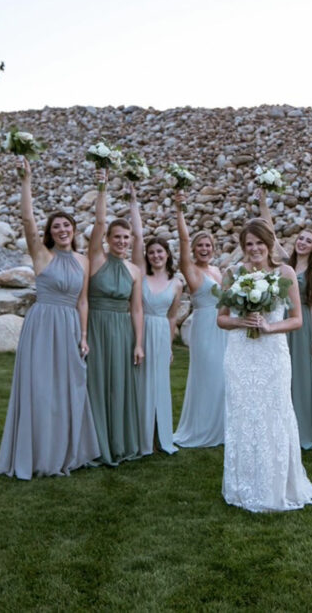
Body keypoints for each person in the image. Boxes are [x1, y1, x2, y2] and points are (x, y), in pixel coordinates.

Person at [0, 156, 99, 479]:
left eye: (67, 225)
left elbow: (83, 302)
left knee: (69, 389)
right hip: (42, 326)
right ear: (50, 234)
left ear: (74, 230)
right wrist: (26, 181)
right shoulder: (42, 255)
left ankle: (66, 451)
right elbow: (27, 221)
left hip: (69, 327)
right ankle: (38, 453)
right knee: (41, 390)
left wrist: (83, 336)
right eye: (57, 227)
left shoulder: (83, 261)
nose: (63, 229)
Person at [217, 217, 312, 512]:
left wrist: (269, 327)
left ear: (269, 244)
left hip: (273, 353)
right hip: (240, 353)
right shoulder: (233, 273)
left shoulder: (285, 272)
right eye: (248, 244)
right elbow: (221, 318)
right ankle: (244, 486)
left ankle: (277, 485)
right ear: (243, 247)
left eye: (259, 243)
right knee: (243, 416)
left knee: (274, 414)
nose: (254, 249)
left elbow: (297, 319)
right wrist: (242, 321)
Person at [257, 191, 312, 450]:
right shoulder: (284, 264)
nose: (302, 243)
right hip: (280, 323)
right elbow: (270, 234)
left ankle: (306, 431)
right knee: (280, 377)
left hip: (302, 328)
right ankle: (281, 430)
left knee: (301, 377)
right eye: (300, 238)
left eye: (308, 241)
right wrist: (263, 203)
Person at [85, 168, 144, 466]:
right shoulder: (96, 258)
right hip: (96, 326)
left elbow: (137, 309)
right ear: (107, 238)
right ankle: (96, 445)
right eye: (116, 236)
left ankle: (118, 443)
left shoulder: (134, 270)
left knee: (118, 386)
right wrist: (102, 188)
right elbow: (98, 221)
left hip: (123, 332)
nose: (122, 241)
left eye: (126, 237)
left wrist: (139, 344)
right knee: (95, 383)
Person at [172, 191, 227, 448]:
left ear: (213, 250)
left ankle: (221, 427)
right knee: (207, 375)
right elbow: (183, 239)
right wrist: (180, 210)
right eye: (200, 246)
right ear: (193, 250)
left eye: (208, 246)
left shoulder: (217, 271)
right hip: (204, 326)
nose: (204, 249)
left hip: (224, 328)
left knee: (224, 377)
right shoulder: (191, 270)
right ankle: (202, 428)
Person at [129, 185, 181, 455]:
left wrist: (170, 345)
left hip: (161, 333)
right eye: (152, 253)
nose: (156, 256)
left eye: (160, 252)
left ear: (168, 255)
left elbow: (173, 317)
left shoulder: (176, 284)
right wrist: (134, 203)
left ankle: (161, 436)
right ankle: (140, 436)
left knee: (160, 384)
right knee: (139, 383)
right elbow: (137, 238)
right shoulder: (140, 274)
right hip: (140, 330)